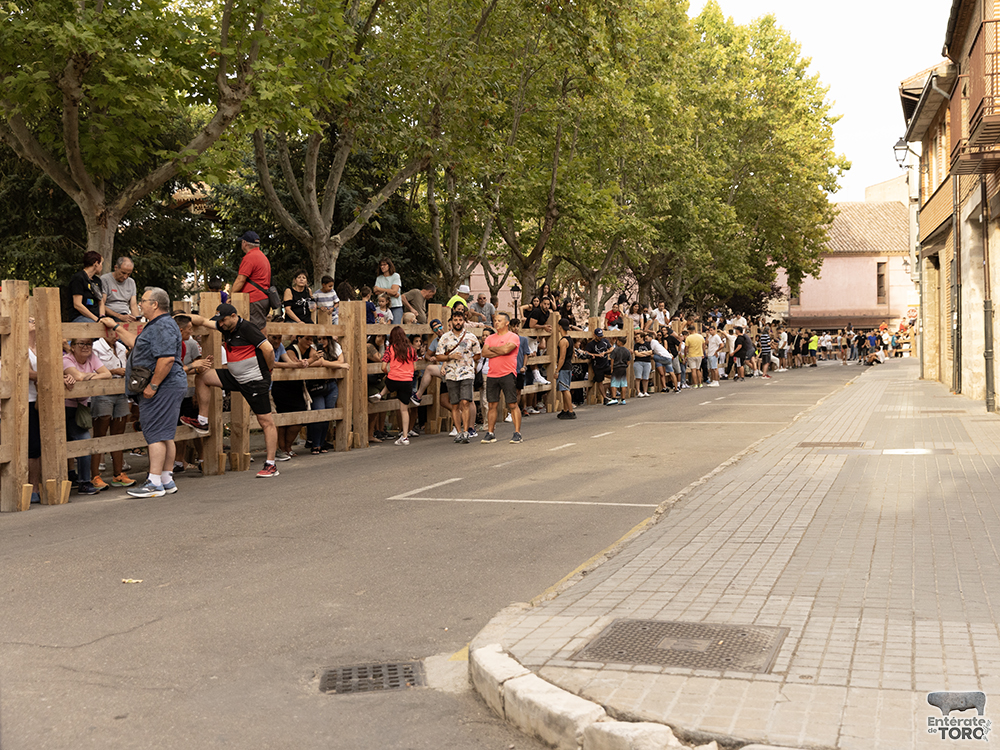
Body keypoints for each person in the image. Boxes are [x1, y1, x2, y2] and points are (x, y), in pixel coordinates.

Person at [99, 288, 187, 495]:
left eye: (144, 301)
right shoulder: (159, 325)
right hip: (169, 385)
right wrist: (117, 327)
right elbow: (138, 345)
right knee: (165, 434)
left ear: (155, 304)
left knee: (155, 434)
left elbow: (165, 359)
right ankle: (166, 479)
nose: (140, 305)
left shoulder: (162, 325)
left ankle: (154, 483)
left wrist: (153, 385)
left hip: (162, 387)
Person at [180, 303, 280, 478]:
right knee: (203, 376)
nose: (221, 324)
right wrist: (180, 319)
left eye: (224, 320)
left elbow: (268, 349)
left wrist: (268, 370)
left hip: (254, 380)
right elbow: (202, 321)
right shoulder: (224, 326)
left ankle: (271, 464)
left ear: (234, 316)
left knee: (265, 421)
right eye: (219, 320)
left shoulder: (247, 328)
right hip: (235, 377)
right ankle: (202, 420)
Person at [62, 338, 112, 494]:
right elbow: (77, 375)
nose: (86, 347)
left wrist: (87, 377)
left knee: (82, 442)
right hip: (65, 407)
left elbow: (107, 374)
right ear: (72, 347)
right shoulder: (66, 360)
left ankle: (81, 480)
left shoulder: (92, 357)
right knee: (79, 441)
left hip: (81, 407)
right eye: (81, 344)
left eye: (89, 344)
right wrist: (90, 376)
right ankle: (80, 480)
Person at [90, 324, 135, 489]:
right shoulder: (95, 347)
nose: (114, 334)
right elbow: (92, 371)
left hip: (120, 392)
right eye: (111, 331)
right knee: (100, 434)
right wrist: (114, 371)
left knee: (118, 434)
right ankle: (95, 475)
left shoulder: (122, 347)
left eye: (117, 331)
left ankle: (118, 474)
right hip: (102, 393)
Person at [435, 308, 481, 443]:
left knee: (465, 401)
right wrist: (450, 357)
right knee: (455, 404)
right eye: (455, 320)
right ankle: (459, 431)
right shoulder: (445, 338)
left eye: (460, 320)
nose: (458, 322)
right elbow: (438, 355)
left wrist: (471, 359)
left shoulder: (471, 337)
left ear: (464, 321)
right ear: (452, 321)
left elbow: (478, 353)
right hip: (451, 374)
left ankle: (466, 431)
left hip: (466, 372)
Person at [269, 333, 312, 460]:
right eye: (274, 338)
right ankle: (277, 450)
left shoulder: (281, 347)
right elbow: (273, 363)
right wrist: (296, 365)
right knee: (275, 419)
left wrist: (299, 364)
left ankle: (285, 448)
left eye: (279, 337)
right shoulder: (264, 346)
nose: (277, 341)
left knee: (292, 418)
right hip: (269, 386)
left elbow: (288, 361)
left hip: (278, 385)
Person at [481, 312, 522, 443]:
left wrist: (493, 349)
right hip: (492, 374)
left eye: (499, 320)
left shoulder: (513, 337)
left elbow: (506, 350)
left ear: (507, 323)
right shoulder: (490, 338)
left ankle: (517, 433)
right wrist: (499, 349)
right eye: (495, 320)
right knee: (492, 404)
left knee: (512, 403)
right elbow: (484, 352)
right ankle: (490, 432)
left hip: (508, 373)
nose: (496, 322)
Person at [306, 335, 350, 453]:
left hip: (331, 384)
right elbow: (317, 362)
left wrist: (327, 363)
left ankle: (322, 443)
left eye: (324, 338)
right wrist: (338, 365)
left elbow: (341, 360)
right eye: (319, 339)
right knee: (319, 414)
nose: (322, 341)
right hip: (317, 385)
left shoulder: (335, 346)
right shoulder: (314, 347)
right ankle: (315, 444)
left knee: (328, 416)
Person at [382, 326, 418, 445]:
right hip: (407, 381)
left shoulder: (390, 349)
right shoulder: (412, 350)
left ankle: (381, 393)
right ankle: (405, 436)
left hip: (393, 379)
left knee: (389, 383)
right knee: (404, 410)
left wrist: (389, 373)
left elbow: (383, 367)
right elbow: (415, 367)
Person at [231, 231, 272, 330]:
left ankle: (262, 346)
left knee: (255, 330)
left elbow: (240, 280)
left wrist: (231, 295)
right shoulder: (262, 257)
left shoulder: (250, 257)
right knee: (260, 327)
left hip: (254, 299)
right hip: (262, 297)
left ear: (244, 243)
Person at [100, 257, 140, 323]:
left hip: (125, 314)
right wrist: (119, 316)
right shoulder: (105, 279)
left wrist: (137, 321)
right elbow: (101, 304)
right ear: (116, 268)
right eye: (123, 273)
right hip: (110, 315)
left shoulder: (131, 282)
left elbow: (133, 305)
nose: (125, 277)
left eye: (129, 274)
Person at [68, 250, 105, 322]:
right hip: (80, 317)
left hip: (96, 317)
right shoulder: (78, 278)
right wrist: (96, 320)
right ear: (96, 263)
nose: (101, 266)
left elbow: (101, 302)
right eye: (101, 263)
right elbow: (77, 304)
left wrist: (102, 317)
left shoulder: (97, 280)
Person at [555, 318, 577, 418]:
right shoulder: (570, 339)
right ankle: (565, 409)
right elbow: (572, 353)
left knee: (565, 389)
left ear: (560, 327)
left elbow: (562, 357)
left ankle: (571, 411)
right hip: (569, 365)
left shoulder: (563, 341)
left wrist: (557, 370)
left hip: (564, 367)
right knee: (564, 388)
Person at [583, 329, 612, 404]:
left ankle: (612, 394)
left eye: (601, 336)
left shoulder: (605, 341)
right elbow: (586, 352)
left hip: (606, 364)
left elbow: (611, 349)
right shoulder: (591, 344)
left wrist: (605, 353)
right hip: (597, 365)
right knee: (600, 381)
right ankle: (604, 397)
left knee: (614, 376)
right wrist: (596, 355)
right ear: (595, 335)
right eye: (599, 336)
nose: (600, 337)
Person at [374, 258, 403, 324]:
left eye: (384, 265)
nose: (382, 267)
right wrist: (391, 292)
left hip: (395, 306)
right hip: (382, 307)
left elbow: (394, 291)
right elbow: (376, 291)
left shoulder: (395, 276)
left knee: (395, 327)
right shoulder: (379, 278)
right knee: (382, 327)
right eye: (381, 265)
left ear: (389, 265)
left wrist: (380, 289)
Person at [608, 337, 632, 405]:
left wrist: (612, 368)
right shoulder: (627, 351)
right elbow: (629, 359)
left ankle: (614, 398)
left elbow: (612, 359)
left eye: (617, 341)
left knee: (614, 383)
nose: (616, 342)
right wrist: (626, 365)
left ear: (620, 342)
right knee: (623, 383)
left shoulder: (615, 350)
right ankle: (623, 399)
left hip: (616, 367)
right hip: (623, 367)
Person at [633, 331, 652, 397]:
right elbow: (636, 354)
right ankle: (638, 391)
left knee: (646, 378)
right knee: (638, 377)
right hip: (638, 362)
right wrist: (645, 353)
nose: (636, 339)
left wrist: (642, 353)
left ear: (642, 338)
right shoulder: (636, 345)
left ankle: (645, 391)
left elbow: (650, 352)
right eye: (636, 338)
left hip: (647, 362)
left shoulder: (647, 344)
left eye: (638, 337)